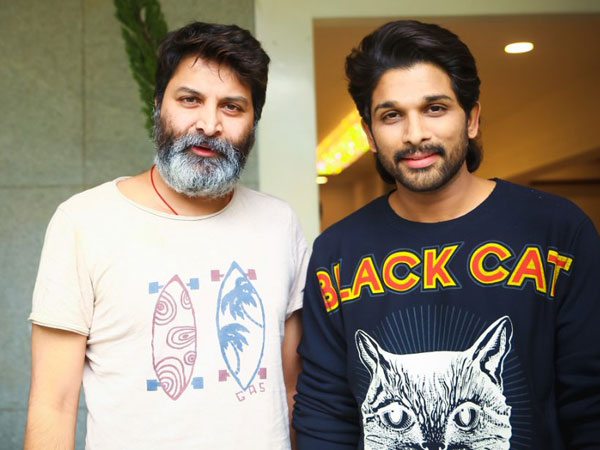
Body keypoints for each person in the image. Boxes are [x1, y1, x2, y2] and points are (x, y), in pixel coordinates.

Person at [293, 19, 600, 450]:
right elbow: (326, 413)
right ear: (369, 134)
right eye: (391, 115)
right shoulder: (337, 252)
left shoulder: (557, 230)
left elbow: (590, 401)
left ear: (471, 119)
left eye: (434, 109)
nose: (415, 134)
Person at [25, 22, 308, 449]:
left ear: (254, 121)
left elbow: (291, 391)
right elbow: (54, 404)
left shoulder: (279, 223)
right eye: (190, 100)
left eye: (232, 107)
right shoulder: (84, 222)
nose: (209, 124)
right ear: (158, 105)